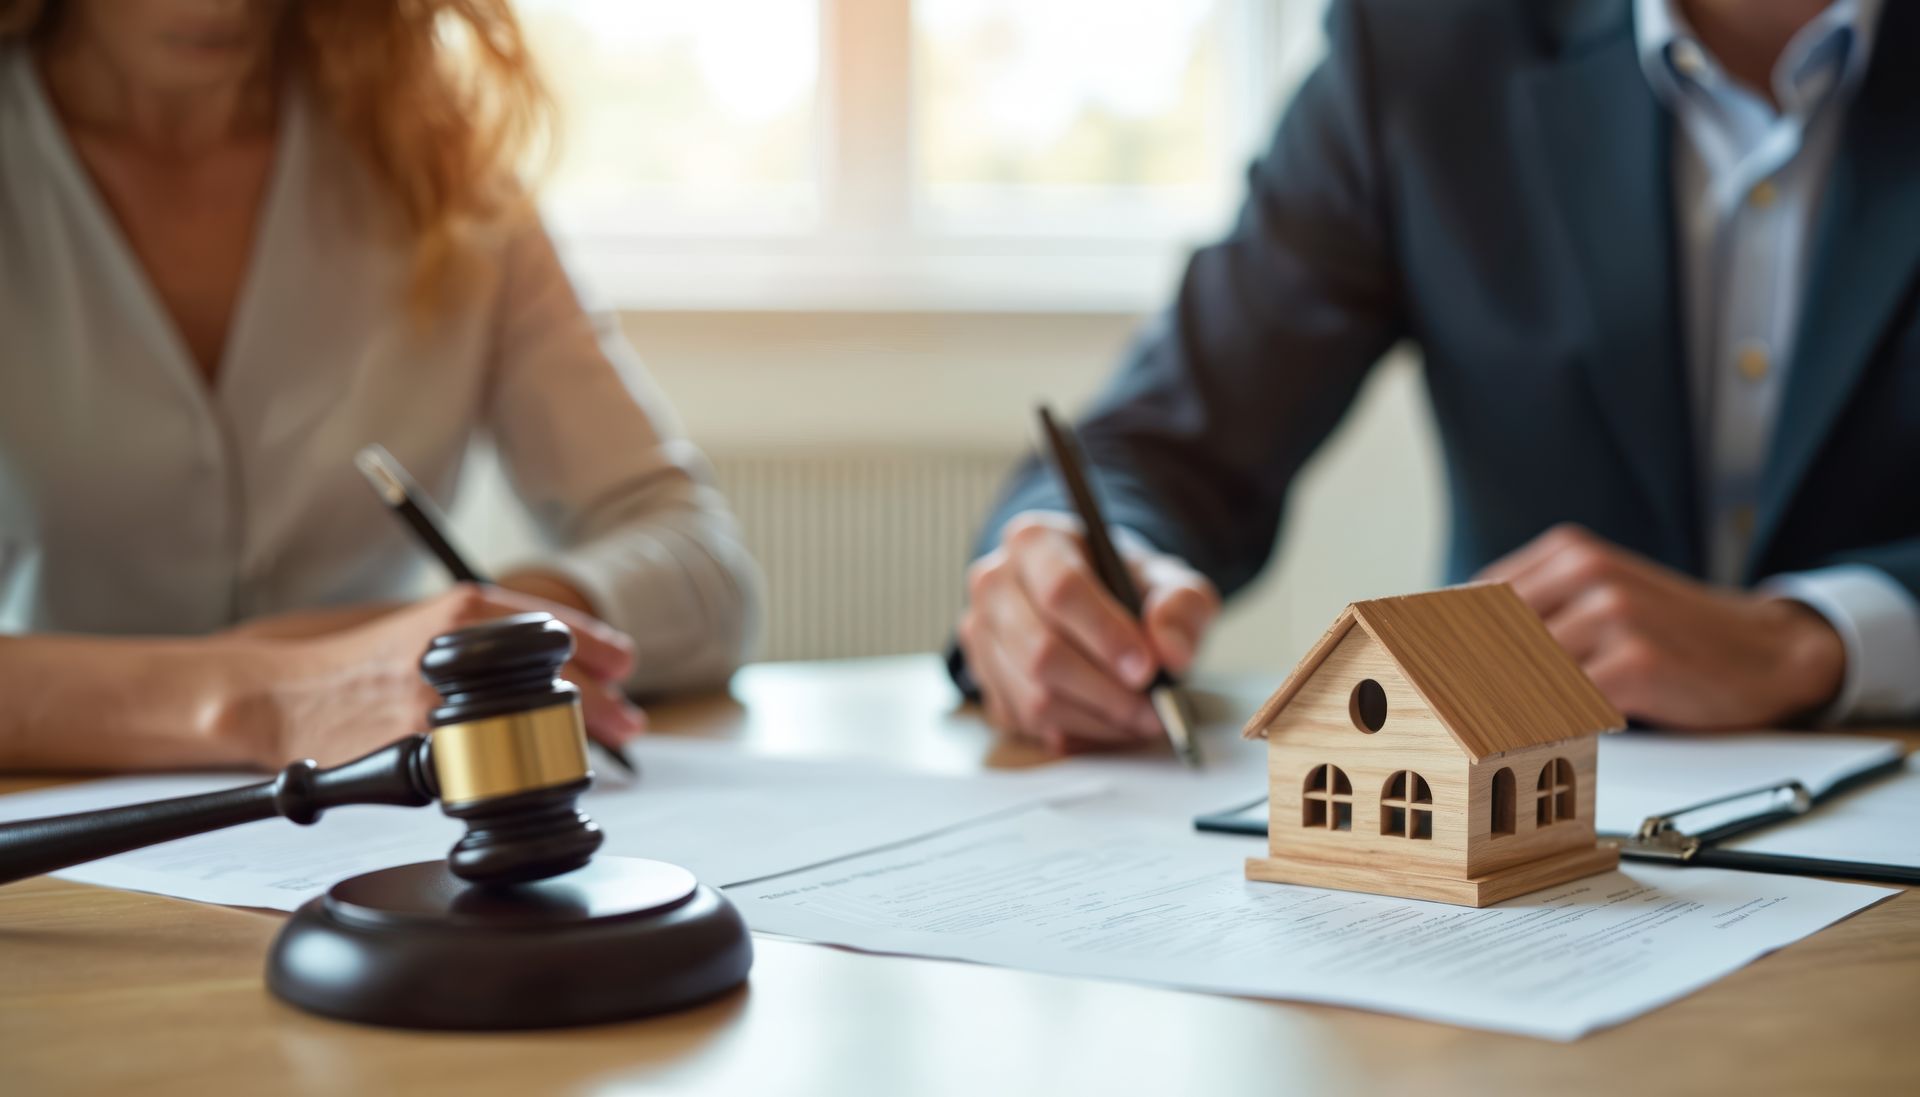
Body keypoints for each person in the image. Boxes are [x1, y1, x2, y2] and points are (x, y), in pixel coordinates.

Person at [958, 0, 1920, 753]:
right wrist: (1072, 571)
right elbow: (1168, 438)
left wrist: (1817, 638)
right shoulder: (1424, 39)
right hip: (1511, 824)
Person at [0, 0, 760, 770]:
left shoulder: (435, 163)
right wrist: (271, 690)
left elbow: (700, 564)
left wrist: (485, 629)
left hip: (385, 810)